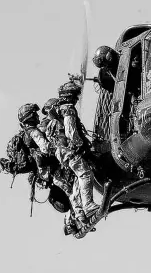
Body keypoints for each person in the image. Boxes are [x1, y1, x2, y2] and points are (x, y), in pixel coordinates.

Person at [49, 81, 99, 225]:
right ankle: (88, 205)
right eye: (76, 96)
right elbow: (70, 131)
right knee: (85, 174)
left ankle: (79, 214)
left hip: (61, 152)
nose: (77, 99)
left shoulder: (56, 112)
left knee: (76, 180)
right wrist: (80, 144)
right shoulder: (68, 109)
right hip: (69, 150)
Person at [17, 103, 71, 196]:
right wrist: (61, 149)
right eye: (35, 114)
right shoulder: (33, 132)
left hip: (46, 170)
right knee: (70, 190)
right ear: (31, 117)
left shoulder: (27, 133)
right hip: (50, 169)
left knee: (70, 189)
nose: (38, 116)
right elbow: (45, 148)